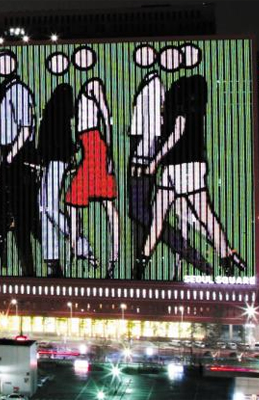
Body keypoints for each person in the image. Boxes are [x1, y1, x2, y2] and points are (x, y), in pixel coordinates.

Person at [137, 44, 247, 280]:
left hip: (181, 168)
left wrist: (155, 162)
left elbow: (176, 134)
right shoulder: (196, 113)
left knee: (177, 216)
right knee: (197, 215)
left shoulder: (179, 113)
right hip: (184, 168)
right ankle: (226, 257)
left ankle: (141, 263)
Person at [127, 44, 211, 281]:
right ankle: (189, 253)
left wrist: (143, 159)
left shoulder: (154, 86)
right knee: (144, 213)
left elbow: (153, 129)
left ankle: (191, 254)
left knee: (140, 211)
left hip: (143, 155)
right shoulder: (150, 84)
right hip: (143, 153)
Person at [0, 49, 41, 277]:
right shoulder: (2, 92)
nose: (2, 66)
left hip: (16, 163)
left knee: (19, 223)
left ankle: (29, 272)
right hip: (5, 164)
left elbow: (26, 128)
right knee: (8, 224)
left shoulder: (18, 90)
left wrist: (10, 157)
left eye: (6, 61)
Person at [37, 52, 96, 278]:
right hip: (55, 163)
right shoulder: (61, 119)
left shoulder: (51, 117)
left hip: (53, 164)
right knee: (44, 209)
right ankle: (53, 259)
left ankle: (78, 244)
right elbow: (66, 145)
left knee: (47, 207)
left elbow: (48, 144)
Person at [65, 46, 120, 279]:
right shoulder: (86, 87)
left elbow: (106, 117)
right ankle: (82, 252)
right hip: (89, 146)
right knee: (82, 202)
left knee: (101, 203)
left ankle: (112, 257)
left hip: (95, 146)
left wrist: (109, 153)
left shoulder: (94, 84)